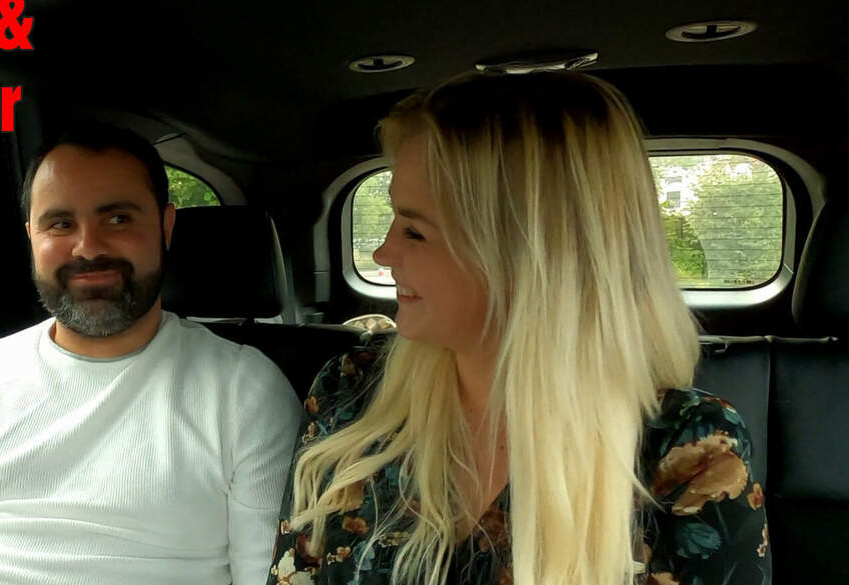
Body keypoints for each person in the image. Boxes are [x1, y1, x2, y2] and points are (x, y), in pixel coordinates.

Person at [267, 72, 771, 585]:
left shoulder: (691, 449)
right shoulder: (352, 391)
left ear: (528, 257)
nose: (382, 253)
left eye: (414, 231)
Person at [0, 124, 301, 585]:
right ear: (31, 236)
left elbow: (264, 575)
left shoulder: (244, 391)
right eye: (61, 224)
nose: (88, 248)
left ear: (165, 227)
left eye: (118, 219)